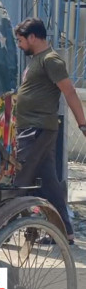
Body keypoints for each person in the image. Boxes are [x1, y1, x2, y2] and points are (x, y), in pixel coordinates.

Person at [14, 17, 86, 245]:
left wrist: (83, 124)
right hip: (33, 127)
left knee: (18, 174)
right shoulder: (38, 59)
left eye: (21, 40)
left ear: (33, 37)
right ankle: (66, 232)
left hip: (38, 129)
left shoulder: (51, 60)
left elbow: (70, 92)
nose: (19, 44)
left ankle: (4, 225)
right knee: (49, 183)